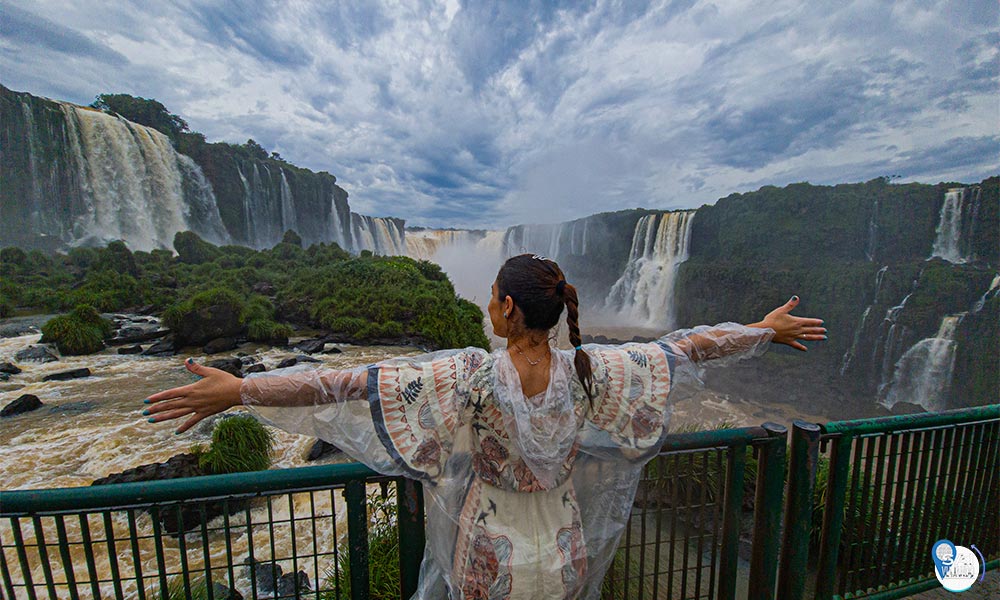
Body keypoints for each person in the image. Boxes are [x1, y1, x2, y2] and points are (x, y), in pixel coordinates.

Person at [145, 253, 826, 600]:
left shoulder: (469, 375)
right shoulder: (595, 370)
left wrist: (242, 390)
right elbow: (686, 348)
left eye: (491, 299)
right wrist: (761, 330)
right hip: (562, 550)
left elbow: (344, 383)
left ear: (505, 307)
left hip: (487, 554)